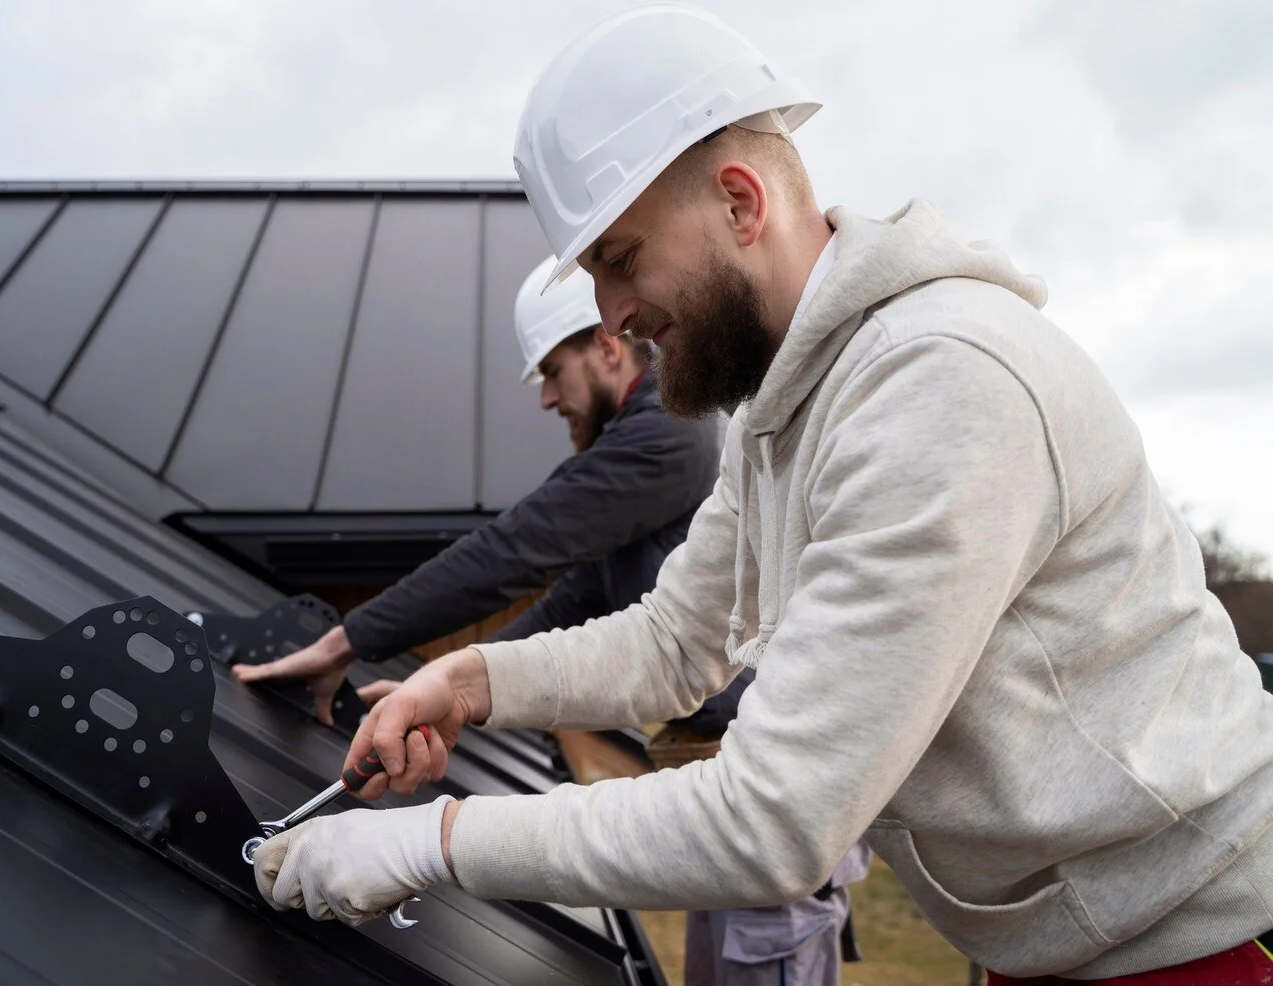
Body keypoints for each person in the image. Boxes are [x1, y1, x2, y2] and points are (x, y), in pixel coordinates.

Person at [251, 6, 1273, 984]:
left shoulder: (938, 384)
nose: (612, 313)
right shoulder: (785, 410)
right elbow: (673, 642)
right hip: (1070, 937)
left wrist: (435, 840)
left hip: (1200, 938)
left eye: (619, 259)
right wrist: (468, 681)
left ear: (741, 202)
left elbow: (774, 818)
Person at [240, 252, 867, 984]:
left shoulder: (669, 433)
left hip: (762, 796)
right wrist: (455, 689)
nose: (547, 399)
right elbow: (575, 595)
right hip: (707, 775)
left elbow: (517, 549)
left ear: (605, 347)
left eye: (552, 372)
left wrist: (348, 641)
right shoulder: (654, 440)